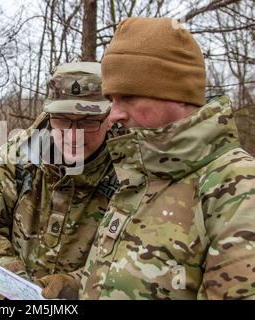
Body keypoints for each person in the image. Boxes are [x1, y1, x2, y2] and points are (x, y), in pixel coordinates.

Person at [41, 17, 255, 300]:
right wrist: (74, 287)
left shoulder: (239, 188)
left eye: (127, 97)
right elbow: (132, 271)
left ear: (178, 95)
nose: (113, 114)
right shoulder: (142, 173)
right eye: (112, 99)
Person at [0, 62, 119, 299]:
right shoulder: (19, 156)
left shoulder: (131, 170)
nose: (73, 135)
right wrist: (14, 283)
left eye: (88, 121)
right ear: (49, 114)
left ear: (110, 118)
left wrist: (79, 286)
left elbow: (143, 258)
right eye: (63, 119)